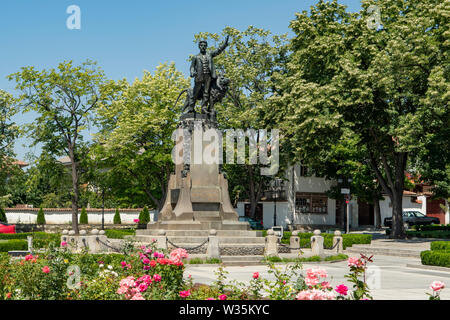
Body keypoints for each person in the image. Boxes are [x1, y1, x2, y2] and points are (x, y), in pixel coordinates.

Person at [188, 36, 229, 113]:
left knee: (206, 92)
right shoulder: (195, 57)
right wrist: (192, 72)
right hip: (199, 76)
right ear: (199, 46)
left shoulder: (209, 54)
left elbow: (218, 51)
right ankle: (191, 108)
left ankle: (204, 108)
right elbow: (192, 67)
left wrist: (225, 44)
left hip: (208, 76)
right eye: (201, 45)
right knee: (195, 93)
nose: (203, 47)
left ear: (206, 46)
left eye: (204, 45)